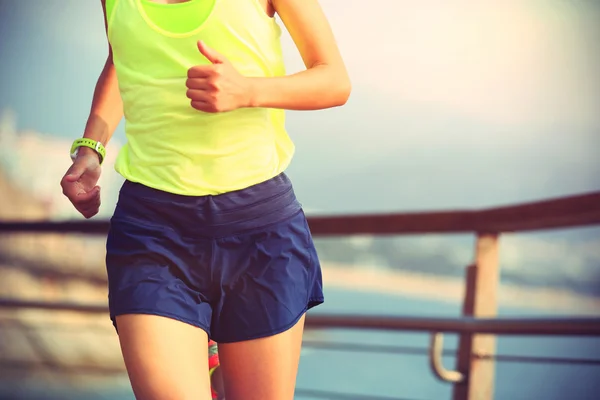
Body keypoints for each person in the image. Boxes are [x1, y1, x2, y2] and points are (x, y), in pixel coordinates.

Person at [60, 0, 350, 399]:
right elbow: (120, 59)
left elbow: (334, 80)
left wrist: (248, 90)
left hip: (258, 233)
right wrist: (92, 147)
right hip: (152, 231)